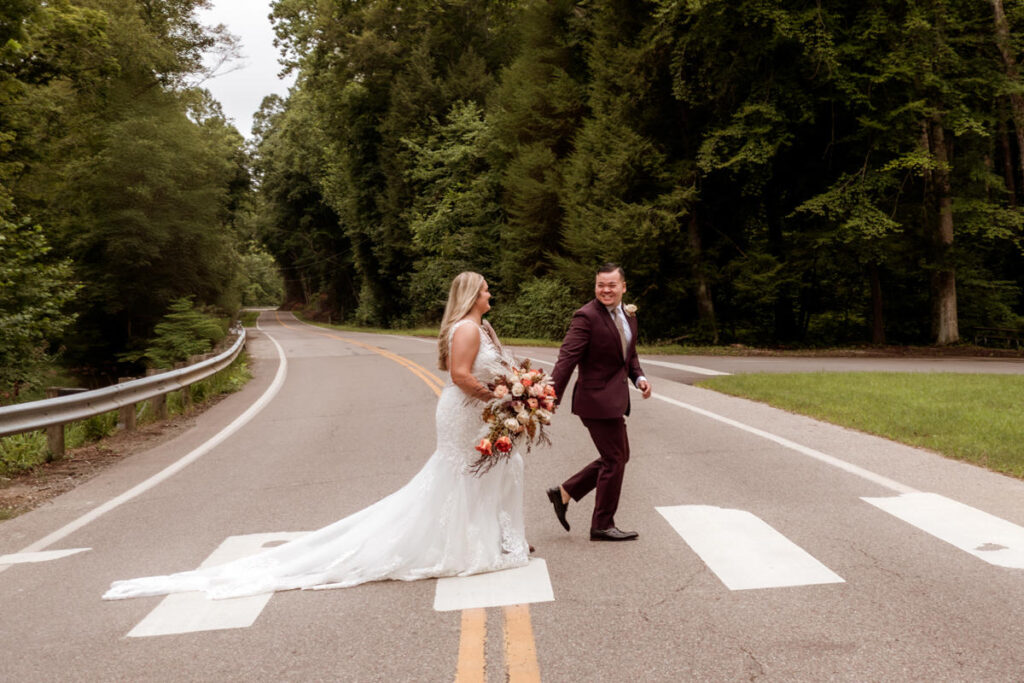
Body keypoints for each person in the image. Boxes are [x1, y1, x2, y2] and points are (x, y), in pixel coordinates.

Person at [104, 272, 528, 601]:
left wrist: (517, 391)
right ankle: (469, 545)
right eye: (487, 290)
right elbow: (459, 376)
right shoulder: (468, 330)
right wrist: (499, 398)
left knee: (489, 469)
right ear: (473, 294)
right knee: (465, 473)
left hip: (476, 412)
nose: (491, 294)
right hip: (467, 411)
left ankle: (487, 540)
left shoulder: (479, 327)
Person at [545, 263, 651, 541]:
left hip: (614, 399)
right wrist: (550, 397)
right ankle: (602, 524)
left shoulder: (627, 315)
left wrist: (639, 378)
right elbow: (566, 359)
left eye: (611, 285)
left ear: (623, 287)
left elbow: (629, 355)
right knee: (615, 459)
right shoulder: (586, 316)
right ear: (595, 287)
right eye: (600, 285)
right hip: (595, 400)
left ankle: (565, 492)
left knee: (617, 457)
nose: (606, 290)